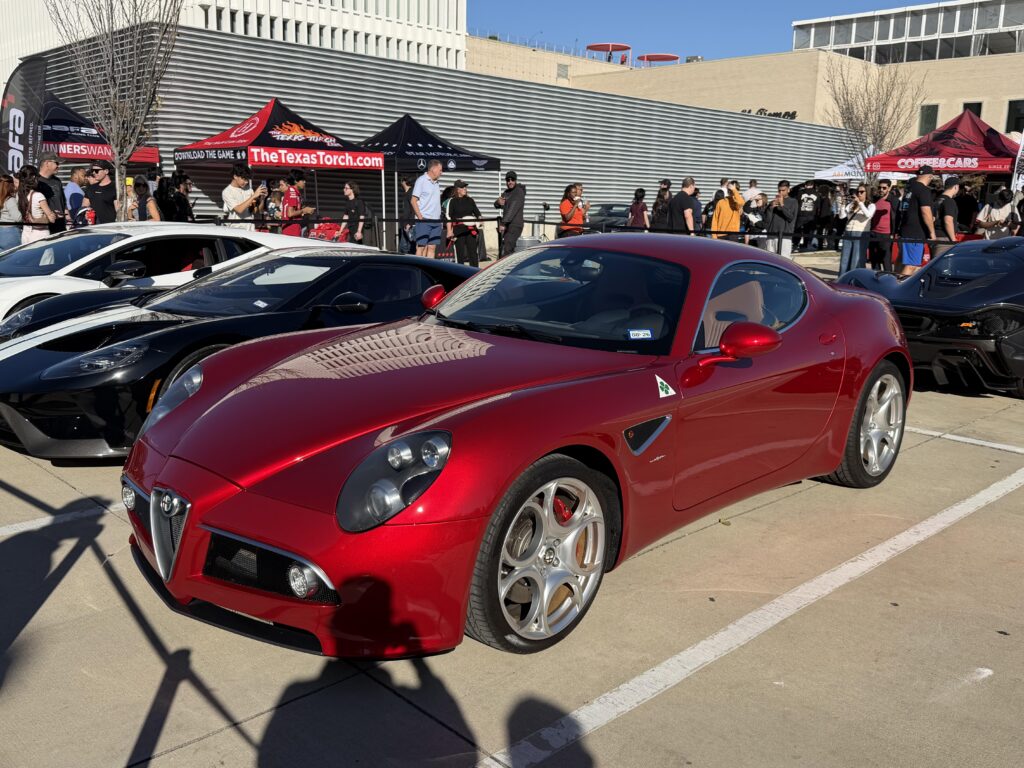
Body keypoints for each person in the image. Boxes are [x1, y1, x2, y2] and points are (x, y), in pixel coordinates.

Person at [897, 165, 936, 276]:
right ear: (930, 177)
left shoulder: (909, 189)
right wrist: (932, 233)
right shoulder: (923, 190)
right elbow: (926, 212)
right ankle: (898, 289)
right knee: (911, 265)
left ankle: (892, 283)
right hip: (915, 233)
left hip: (905, 230)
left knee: (901, 261)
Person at [838, 184, 875, 274]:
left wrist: (860, 203)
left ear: (867, 193)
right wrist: (843, 205)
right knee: (844, 259)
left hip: (861, 233)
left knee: (856, 259)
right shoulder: (852, 204)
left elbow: (868, 215)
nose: (859, 194)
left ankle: (854, 281)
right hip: (848, 232)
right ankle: (842, 279)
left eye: (862, 192)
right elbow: (842, 216)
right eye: (858, 191)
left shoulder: (871, 205)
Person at [445, 180, 483, 266]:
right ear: (457, 189)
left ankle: (475, 272)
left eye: (465, 187)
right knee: (460, 254)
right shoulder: (452, 201)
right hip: (458, 231)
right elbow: (448, 217)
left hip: (471, 230)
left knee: (473, 253)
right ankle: (459, 273)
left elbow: (477, 213)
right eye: (462, 187)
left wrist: (480, 221)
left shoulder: (470, 200)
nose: (465, 189)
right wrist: (449, 231)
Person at [411, 159, 444, 256]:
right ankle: (418, 269)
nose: (441, 172)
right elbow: (413, 201)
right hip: (424, 220)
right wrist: (420, 217)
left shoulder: (437, 183)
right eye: (440, 170)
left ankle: (429, 270)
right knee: (421, 247)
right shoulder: (421, 180)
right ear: (433, 169)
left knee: (432, 247)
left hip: (436, 221)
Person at [221, 163, 266, 231]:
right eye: (244, 179)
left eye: (247, 180)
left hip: (250, 228)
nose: (246, 182)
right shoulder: (227, 191)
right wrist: (253, 196)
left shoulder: (249, 190)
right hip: (236, 228)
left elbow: (254, 210)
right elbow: (239, 210)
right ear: (235, 176)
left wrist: (262, 198)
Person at [17, 169, 57, 244]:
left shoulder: (20, 196)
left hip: (25, 234)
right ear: (34, 177)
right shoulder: (38, 196)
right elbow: (52, 219)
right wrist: (54, 214)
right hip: (40, 235)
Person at [494, 170, 525, 257]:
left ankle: (507, 269)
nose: (510, 182)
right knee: (506, 249)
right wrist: (498, 202)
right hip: (508, 225)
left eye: (512, 179)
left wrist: (503, 223)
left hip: (515, 225)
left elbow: (512, 209)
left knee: (507, 250)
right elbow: (496, 205)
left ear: (515, 180)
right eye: (508, 180)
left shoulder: (519, 192)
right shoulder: (507, 192)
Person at [764, 180, 798, 258]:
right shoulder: (773, 202)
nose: (781, 192)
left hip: (785, 236)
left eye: (783, 190)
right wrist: (770, 207)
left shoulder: (793, 201)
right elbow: (767, 219)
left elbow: (790, 218)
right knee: (770, 260)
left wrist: (782, 205)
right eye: (779, 190)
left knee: (784, 261)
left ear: (788, 190)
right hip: (772, 235)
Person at [931, 176, 960, 260]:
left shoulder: (937, 200)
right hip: (945, 238)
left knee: (936, 262)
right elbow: (948, 221)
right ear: (955, 187)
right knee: (943, 266)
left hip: (935, 236)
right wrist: (953, 239)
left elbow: (932, 218)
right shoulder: (949, 201)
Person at [36, 152, 66, 233]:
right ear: (47, 163)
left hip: (60, 225)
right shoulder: (35, 181)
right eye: (56, 163)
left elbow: (63, 201)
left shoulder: (57, 181)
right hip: (44, 227)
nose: (58, 166)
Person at [340, 180, 376, 246]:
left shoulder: (359, 202)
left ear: (352, 190)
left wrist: (359, 231)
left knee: (356, 246)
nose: (344, 189)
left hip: (357, 229)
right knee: (355, 246)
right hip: (350, 229)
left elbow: (362, 217)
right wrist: (340, 231)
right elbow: (345, 216)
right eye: (344, 188)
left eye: (346, 188)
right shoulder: (347, 203)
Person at [869, 185, 894, 271]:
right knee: (874, 259)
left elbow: (896, 217)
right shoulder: (874, 200)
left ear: (889, 188)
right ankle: (875, 278)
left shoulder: (893, 201)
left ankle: (889, 278)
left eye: (884, 188)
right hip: (873, 232)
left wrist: (894, 233)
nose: (881, 190)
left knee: (886, 259)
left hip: (886, 234)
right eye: (879, 187)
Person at [794, 181, 819, 251]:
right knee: (807, 231)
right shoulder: (816, 194)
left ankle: (795, 244)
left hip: (801, 215)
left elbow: (796, 202)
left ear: (805, 185)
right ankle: (805, 245)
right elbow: (818, 206)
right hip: (811, 215)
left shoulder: (800, 192)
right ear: (812, 185)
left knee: (797, 230)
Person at [0, 174, 21, 250]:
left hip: (2, 230)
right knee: (15, 258)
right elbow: (18, 218)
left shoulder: (2, 199)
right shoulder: (10, 200)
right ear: (10, 185)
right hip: (10, 232)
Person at [398, 176, 415, 254]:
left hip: (409, 224)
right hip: (404, 223)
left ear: (404, 182)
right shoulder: (406, 193)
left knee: (407, 246)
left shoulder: (411, 193)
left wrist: (410, 223)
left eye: (401, 181)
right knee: (403, 246)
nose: (400, 184)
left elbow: (413, 209)